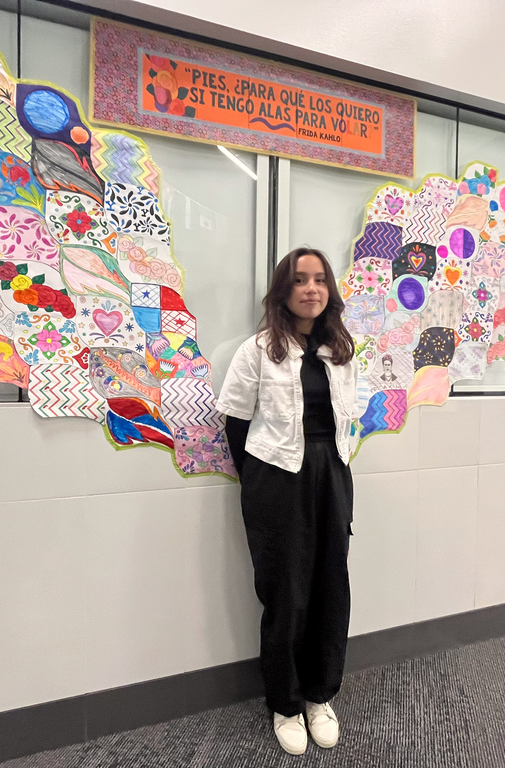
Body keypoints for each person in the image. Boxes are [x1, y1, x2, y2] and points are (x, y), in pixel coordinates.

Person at [217, 247, 359, 756]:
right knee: (285, 592)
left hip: (332, 474)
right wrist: (260, 481)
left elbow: (346, 420)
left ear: (329, 290)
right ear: (283, 291)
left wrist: (333, 471)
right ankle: (286, 703)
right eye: (299, 280)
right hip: (276, 478)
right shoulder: (258, 350)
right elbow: (236, 423)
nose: (311, 289)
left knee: (330, 586)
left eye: (319, 279)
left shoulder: (341, 350)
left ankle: (320, 695)